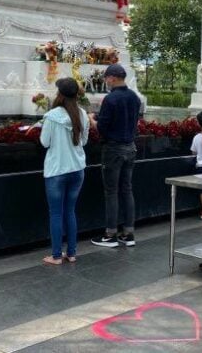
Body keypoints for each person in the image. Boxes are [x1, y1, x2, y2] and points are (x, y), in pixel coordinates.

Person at [89, 64, 142, 248]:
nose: (105, 81)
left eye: (106, 78)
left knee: (111, 191)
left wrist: (90, 119)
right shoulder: (134, 97)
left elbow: (101, 129)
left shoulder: (110, 99)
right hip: (130, 148)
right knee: (127, 189)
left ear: (112, 78)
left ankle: (110, 234)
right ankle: (128, 233)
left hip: (113, 150)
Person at [39, 78, 89, 265]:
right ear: (76, 94)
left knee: (56, 213)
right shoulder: (83, 114)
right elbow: (83, 142)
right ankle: (72, 253)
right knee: (70, 211)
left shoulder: (52, 116)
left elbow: (45, 142)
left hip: (57, 171)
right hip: (77, 169)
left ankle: (56, 255)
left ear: (59, 94)